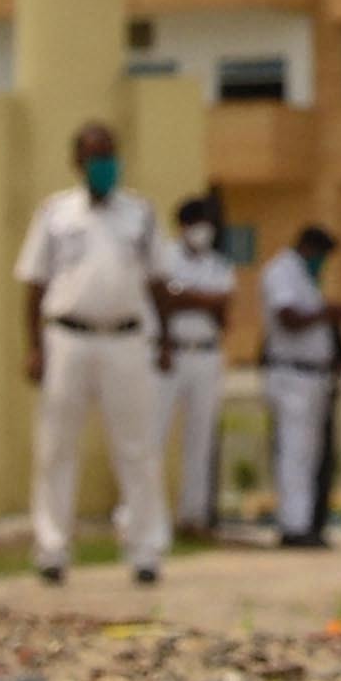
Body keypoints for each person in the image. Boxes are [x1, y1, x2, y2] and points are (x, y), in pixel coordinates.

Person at [15, 117, 170, 586]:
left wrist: (162, 340)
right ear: (79, 162)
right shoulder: (55, 214)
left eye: (111, 155)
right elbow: (34, 284)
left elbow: (158, 280)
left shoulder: (140, 214)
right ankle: (52, 547)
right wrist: (34, 347)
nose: (105, 164)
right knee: (57, 446)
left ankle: (146, 549)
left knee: (137, 447)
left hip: (126, 338)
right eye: (96, 156)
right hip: (67, 338)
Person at [156, 193, 241, 536]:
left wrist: (189, 297)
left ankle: (193, 516)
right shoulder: (164, 257)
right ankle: (144, 516)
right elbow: (165, 299)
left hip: (206, 353)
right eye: (198, 223)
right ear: (184, 226)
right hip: (169, 353)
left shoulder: (219, 265)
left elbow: (223, 311)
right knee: (154, 435)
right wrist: (202, 299)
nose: (204, 231)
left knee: (200, 439)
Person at [260, 223, 341, 547]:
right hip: (290, 374)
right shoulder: (281, 271)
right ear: (309, 248)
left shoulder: (306, 278)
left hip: (314, 376)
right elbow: (288, 317)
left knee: (310, 455)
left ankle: (306, 523)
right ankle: (292, 526)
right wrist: (327, 313)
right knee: (294, 452)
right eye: (322, 256)